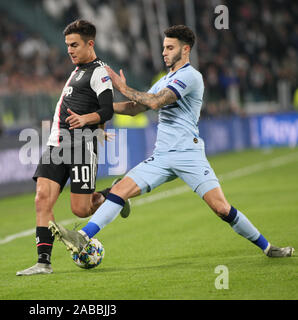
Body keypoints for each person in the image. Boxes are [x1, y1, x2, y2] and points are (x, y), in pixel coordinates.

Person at [49, 25, 294, 259]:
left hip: (189, 154)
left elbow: (156, 102)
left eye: (169, 48)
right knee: (119, 190)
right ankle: (83, 236)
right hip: (162, 156)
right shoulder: (164, 79)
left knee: (221, 208)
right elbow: (136, 108)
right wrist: (98, 107)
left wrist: (122, 85)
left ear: (185, 49)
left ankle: (268, 247)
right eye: (164, 48)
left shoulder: (191, 76)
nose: (164, 52)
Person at [16, 19, 130, 276]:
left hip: (80, 146)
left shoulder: (99, 71)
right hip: (57, 143)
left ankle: (114, 193)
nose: (69, 50)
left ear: (90, 44)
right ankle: (43, 263)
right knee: (41, 198)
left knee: (81, 208)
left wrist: (88, 121)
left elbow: (106, 109)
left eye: (74, 45)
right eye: (67, 45)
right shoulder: (77, 70)